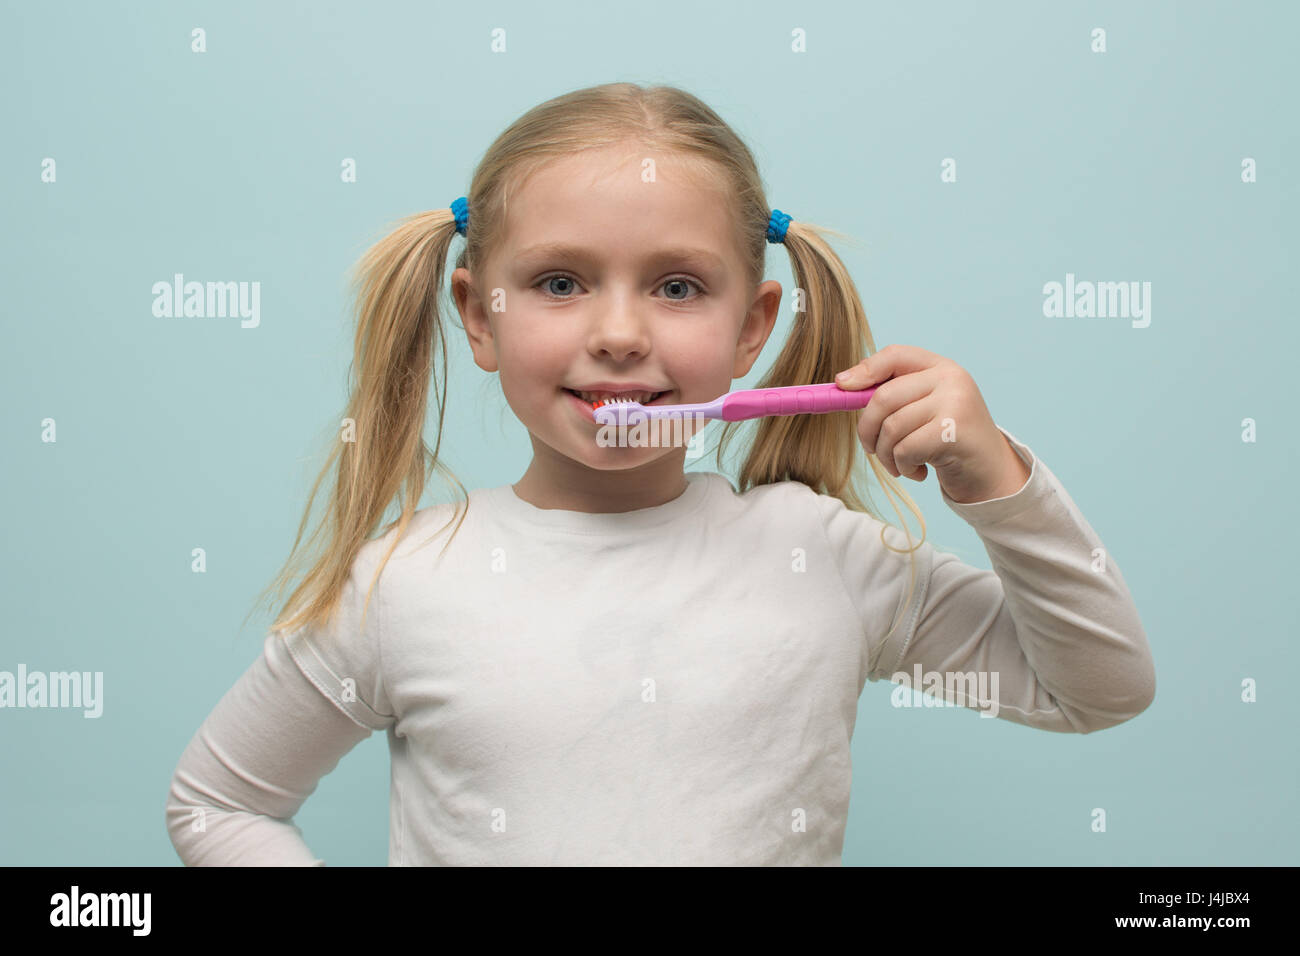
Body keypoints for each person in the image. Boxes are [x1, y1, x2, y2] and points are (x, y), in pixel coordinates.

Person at [165, 82, 1155, 866]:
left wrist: (996, 479)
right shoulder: (403, 584)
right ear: (478, 313)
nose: (620, 333)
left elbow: (1097, 688)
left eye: (677, 287)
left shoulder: (826, 560)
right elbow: (217, 799)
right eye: (560, 282)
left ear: (752, 327)